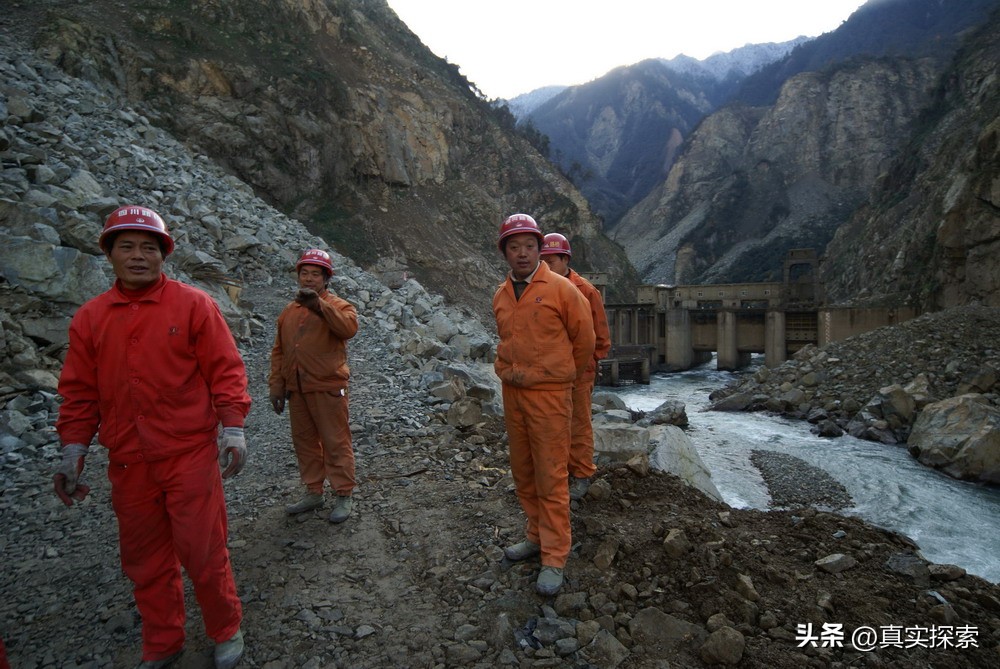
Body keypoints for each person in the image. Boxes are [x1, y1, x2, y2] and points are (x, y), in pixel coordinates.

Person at [54, 205, 250, 669]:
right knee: (143, 559)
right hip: (127, 461)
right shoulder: (90, 318)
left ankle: (225, 629)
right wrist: (73, 448)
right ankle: (163, 642)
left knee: (203, 551)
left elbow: (225, 370)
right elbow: (79, 392)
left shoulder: (194, 305)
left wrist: (234, 427)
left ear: (164, 254)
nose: (138, 256)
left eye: (149, 247)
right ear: (110, 254)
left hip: (187, 454)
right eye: (127, 247)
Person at [492, 213, 595, 596]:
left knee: (552, 476)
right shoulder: (501, 295)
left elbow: (583, 342)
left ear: (540, 250)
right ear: (505, 251)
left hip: (550, 395)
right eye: (514, 247)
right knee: (524, 471)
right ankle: (535, 535)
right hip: (513, 393)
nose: (522, 253)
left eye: (530, 247)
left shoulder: (564, 290)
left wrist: (561, 376)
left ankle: (554, 555)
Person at [269, 249, 359, 523]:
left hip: (328, 386)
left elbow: (348, 329)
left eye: (315, 274)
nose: (308, 279)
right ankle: (314, 491)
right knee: (305, 442)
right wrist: (277, 384)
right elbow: (279, 350)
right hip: (298, 389)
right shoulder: (289, 311)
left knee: (335, 441)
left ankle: (344, 493)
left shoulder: (339, 305)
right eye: (304, 273)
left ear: (326, 278)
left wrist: (319, 306)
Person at [540, 233, 612, 500]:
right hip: (550, 368)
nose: (546, 266)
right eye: (542, 260)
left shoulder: (585, 290)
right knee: (551, 423)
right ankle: (557, 473)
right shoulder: (539, 287)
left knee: (579, 422)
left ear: (565, 259)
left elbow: (601, 336)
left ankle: (581, 474)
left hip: (579, 369)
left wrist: (590, 363)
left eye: (551, 260)